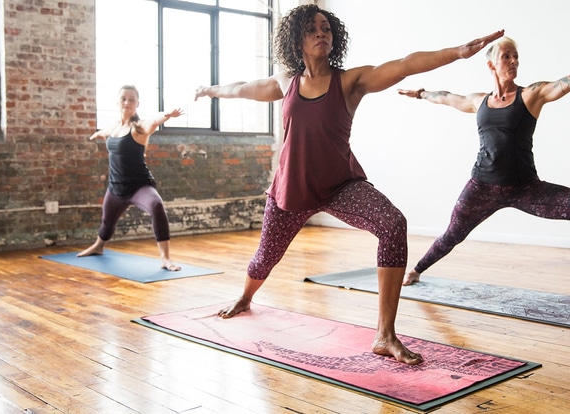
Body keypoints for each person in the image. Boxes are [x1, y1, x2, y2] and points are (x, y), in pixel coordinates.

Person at [195, 3, 503, 364]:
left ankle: (384, 335)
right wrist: (210, 90)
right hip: (291, 189)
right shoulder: (286, 82)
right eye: (312, 29)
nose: (321, 33)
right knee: (266, 256)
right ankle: (246, 298)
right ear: (297, 40)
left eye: (326, 27)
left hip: (341, 185)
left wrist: (457, 53)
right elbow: (244, 88)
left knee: (393, 224)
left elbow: (404, 65)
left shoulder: (349, 81)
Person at [398, 37, 570, 316]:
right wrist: (421, 93)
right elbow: (447, 98)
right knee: (451, 235)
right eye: (507, 56)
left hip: (525, 188)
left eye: (516, 56)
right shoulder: (478, 101)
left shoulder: (531, 95)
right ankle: (417, 270)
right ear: (491, 63)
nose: (514, 61)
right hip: (481, 187)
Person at [77, 85, 184, 272]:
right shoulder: (114, 126)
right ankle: (98, 246)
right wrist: (96, 134)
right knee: (107, 221)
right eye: (124, 99)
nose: (127, 102)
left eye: (132, 99)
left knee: (156, 206)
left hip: (139, 186)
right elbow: (105, 132)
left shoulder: (139, 127)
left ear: (137, 104)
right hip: (115, 188)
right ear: (118, 102)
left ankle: (165, 258)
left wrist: (166, 114)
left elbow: (153, 120)